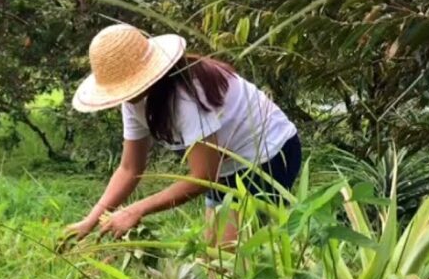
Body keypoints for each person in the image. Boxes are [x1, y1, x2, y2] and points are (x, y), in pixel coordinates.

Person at [66, 24, 302, 246]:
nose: (126, 94)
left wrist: (136, 209)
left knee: (230, 261)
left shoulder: (186, 97)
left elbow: (205, 176)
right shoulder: (133, 101)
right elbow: (130, 168)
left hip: (269, 154)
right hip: (225, 167)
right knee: (216, 259)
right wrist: (91, 220)